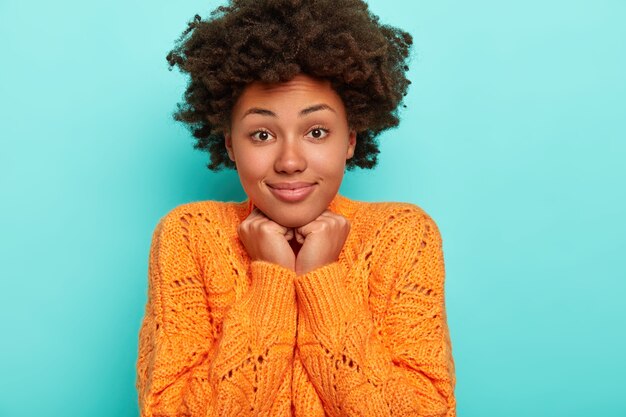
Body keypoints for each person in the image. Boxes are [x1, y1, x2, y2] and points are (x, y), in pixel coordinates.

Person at [135, 0, 456, 416]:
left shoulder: (402, 235)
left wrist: (323, 280)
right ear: (231, 143)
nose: (289, 161)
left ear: (351, 139)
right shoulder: (188, 235)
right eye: (262, 134)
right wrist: (271, 282)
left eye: (317, 131)